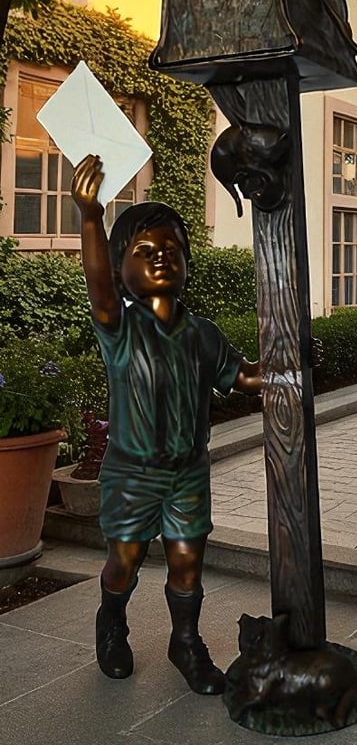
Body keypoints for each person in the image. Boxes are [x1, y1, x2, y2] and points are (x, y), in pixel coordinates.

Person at [71, 153, 262, 695]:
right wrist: (89, 215)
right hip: (132, 474)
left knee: (187, 563)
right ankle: (112, 623)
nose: (160, 260)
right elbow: (97, 289)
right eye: (144, 252)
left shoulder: (202, 335)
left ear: (187, 264)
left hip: (187, 472)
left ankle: (187, 642)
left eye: (171, 252)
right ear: (120, 265)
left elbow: (243, 376)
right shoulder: (120, 329)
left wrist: (289, 368)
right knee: (124, 562)